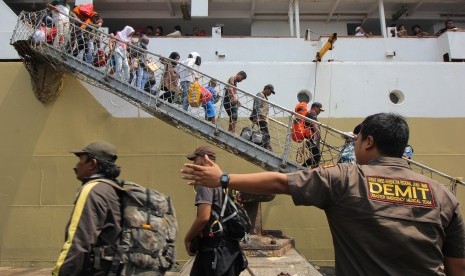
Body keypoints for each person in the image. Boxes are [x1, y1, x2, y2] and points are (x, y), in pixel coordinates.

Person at [181, 113, 465, 276]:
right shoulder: (443, 195)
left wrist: (225, 178)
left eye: (356, 140)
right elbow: (458, 265)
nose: (353, 146)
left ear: (369, 141)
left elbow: (282, 182)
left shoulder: (345, 177)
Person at [52, 141, 122, 275]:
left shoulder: (92, 190)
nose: (77, 164)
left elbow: (78, 243)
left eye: (81, 159)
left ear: (92, 164)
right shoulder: (112, 189)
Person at [184, 146, 246, 276]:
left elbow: (203, 217)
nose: (193, 164)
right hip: (229, 250)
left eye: (195, 160)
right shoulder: (224, 180)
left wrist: (187, 238)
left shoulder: (205, 183)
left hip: (213, 251)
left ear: (204, 160)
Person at [249, 84, 275, 151]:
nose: (270, 93)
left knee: (264, 133)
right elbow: (257, 106)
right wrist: (256, 117)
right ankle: (267, 147)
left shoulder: (265, 97)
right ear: (267, 89)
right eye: (270, 91)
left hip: (262, 118)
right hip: (259, 117)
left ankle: (265, 146)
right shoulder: (260, 94)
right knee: (266, 133)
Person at [302, 102, 324, 168]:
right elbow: (314, 125)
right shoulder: (312, 113)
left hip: (310, 139)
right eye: (319, 109)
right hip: (311, 139)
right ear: (315, 107)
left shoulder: (310, 114)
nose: (320, 112)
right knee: (317, 157)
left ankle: (307, 169)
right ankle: (302, 168)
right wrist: (319, 135)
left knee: (315, 157)